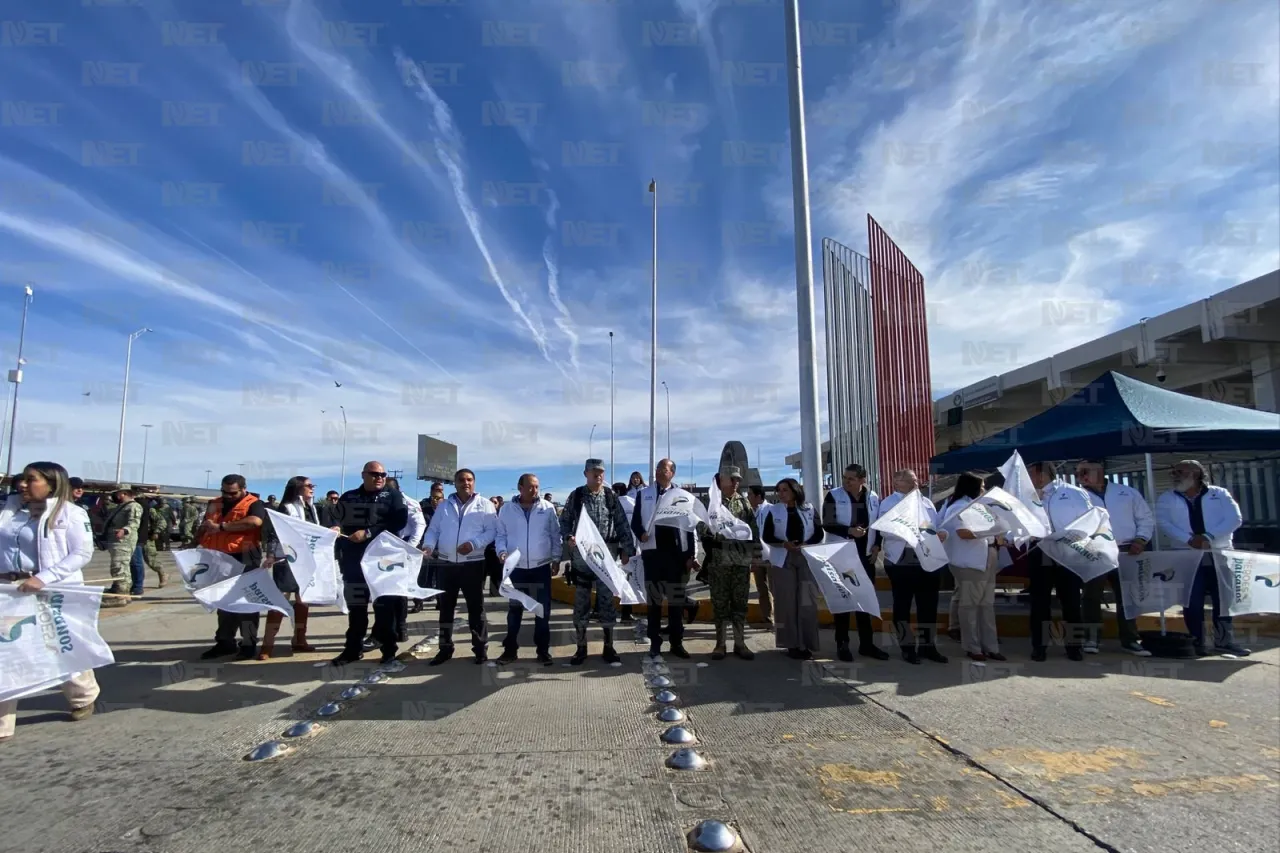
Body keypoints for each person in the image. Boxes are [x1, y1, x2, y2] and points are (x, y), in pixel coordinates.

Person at [0, 462, 99, 741]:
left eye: (31, 479)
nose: (22, 484)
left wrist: (44, 578)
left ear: (52, 484)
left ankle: (83, 695)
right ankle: (3, 723)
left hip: (49, 590)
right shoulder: (9, 511)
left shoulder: (71, 513)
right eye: (22, 479)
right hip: (9, 590)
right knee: (7, 651)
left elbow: (81, 553)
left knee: (57, 646)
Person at [1156, 459, 1249, 657]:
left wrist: (1208, 537)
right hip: (1187, 555)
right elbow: (1164, 523)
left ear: (1196, 474)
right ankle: (1197, 642)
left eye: (1180, 472)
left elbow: (1234, 519)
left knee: (1223, 600)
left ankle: (1224, 642)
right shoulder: (1167, 497)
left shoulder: (1219, 493)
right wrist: (1189, 539)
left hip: (1219, 553)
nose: (1174, 476)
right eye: (1174, 472)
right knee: (1192, 601)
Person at [328, 462, 409, 666]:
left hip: (383, 561)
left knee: (385, 608)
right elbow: (336, 517)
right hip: (354, 561)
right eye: (374, 474)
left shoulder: (393, 496)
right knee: (356, 608)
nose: (379, 477)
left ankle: (389, 651)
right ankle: (352, 650)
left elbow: (399, 522)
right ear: (363, 475)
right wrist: (335, 527)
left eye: (382, 474)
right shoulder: (349, 497)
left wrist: (368, 532)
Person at [1075, 460, 1153, 656]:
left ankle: (1130, 639)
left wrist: (1141, 539)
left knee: (1127, 596)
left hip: (1127, 550)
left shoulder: (1127, 492)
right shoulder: (1076, 496)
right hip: (1095, 551)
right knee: (1091, 596)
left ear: (1099, 471)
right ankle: (1091, 638)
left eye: (1084, 472)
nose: (1080, 476)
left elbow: (1145, 518)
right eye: (1077, 473)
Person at [563, 459, 635, 664]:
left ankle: (609, 647)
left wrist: (627, 550)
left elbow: (622, 524)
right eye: (594, 472)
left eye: (601, 472)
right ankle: (581, 648)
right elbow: (565, 521)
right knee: (581, 604)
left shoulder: (611, 496)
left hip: (606, 558)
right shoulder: (576, 496)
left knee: (607, 604)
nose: (598, 475)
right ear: (585, 473)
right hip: (582, 559)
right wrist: (568, 537)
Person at [422, 468, 496, 665]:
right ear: (455, 483)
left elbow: (491, 532)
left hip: (473, 563)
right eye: (462, 480)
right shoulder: (444, 506)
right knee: (445, 609)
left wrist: (473, 544)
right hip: (446, 563)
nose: (466, 483)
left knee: (476, 609)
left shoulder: (485, 505)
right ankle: (445, 649)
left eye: (469, 479)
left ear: (474, 482)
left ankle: (480, 649)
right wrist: (428, 546)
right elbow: (433, 530)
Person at [875, 468, 948, 664]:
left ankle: (928, 647)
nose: (915, 484)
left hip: (928, 557)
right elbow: (884, 531)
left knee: (928, 605)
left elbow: (936, 525)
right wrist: (910, 532)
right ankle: (907, 648)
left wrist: (942, 533)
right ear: (896, 483)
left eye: (915, 480)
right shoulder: (889, 503)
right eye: (909, 480)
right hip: (902, 559)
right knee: (902, 605)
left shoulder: (926, 502)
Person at [821, 463, 890, 662]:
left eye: (851, 478)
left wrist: (877, 545)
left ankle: (866, 644)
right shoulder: (834, 495)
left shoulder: (873, 497)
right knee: (843, 601)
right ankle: (842, 644)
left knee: (864, 601)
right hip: (842, 555)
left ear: (862, 480)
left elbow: (878, 524)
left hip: (866, 556)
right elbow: (827, 523)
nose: (846, 481)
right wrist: (848, 530)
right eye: (845, 477)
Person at [197, 474, 269, 659]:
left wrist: (222, 527)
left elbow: (255, 522)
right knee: (224, 601)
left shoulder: (255, 504)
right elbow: (205, 525)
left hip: (245, 556)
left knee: (247, 603)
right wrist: (194, 543)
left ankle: (248, 644)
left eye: (233, 493)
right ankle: (225, 642)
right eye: (224, 492)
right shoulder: (214, 503)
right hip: (219, 557)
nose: (228, 496)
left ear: (243, 489)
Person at [631, 459, 696, 660]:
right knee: (654, 602)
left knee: (676, 602)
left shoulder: (682, 496)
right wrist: (641, 533)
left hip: (676, 556)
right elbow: (635, 522)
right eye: (658, 468)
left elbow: (690, 527)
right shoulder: (644, 494)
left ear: (672, 473)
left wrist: (691, 555)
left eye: (664, 469)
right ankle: (655, 643)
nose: (659, 472)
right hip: (653, 555)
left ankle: (677, 642)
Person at [258, 475, 326, 660]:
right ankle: (267, 645)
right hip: (287, 559)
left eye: (313, 485)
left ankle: (299, 639)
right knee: (280, 600)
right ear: (297, 488)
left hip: (307, 560)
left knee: (303, 601)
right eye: (309, 485)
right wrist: (271, 555)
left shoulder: (312, 508)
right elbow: (274, 532)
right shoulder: (286, 508)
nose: (312, 488)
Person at [495, 473, 560, 665]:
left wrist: (556, 558)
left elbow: (555, 535)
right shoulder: (507, 509)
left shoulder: (547, 508)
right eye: (530, 486)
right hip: (516, 569)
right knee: (515, 611)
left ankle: (543, 651)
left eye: (537, 486)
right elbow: (500, 535)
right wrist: (501, 552)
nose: (534, 490)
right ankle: (510, 650)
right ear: (520, 487)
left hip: (541, 567)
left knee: (542, 611)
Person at [939, 472, 1004, 663]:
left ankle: (990, 646)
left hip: (988, 556)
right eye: (981, 487)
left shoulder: (979, 506)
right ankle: (972, 646)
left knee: (987, 604)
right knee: (970, 605)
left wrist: (998, 535)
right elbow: (963, 533)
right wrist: (990, 531)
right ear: (972, 487)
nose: (984, 490)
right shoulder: (958, 507)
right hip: (969, 562)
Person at [1026, 461, 1086, 662]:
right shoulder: (1028, 497)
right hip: (1040, 551)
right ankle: (1039, 646)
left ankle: (1074, 647)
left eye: (1031, 475)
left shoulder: (1073, 493)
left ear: (1041, 475)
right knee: (1039, 602)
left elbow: (1087, 521)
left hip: (1067, 551)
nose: (1028, 479)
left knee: (1071, 601)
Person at [761, 477, 825, 659]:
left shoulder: (809, 509)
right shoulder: (773, 510)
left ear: (795, 490)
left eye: (785, 490)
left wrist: (806, 544)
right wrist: (783, 544)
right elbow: (767, 535)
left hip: (805, 557)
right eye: (779, 490)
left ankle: (807, 643)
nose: (781, 494)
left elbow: (819, 533)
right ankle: (791, 644)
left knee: (807, 601)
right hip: (783, 559)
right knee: (786, 603)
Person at [702, 467, 757, 660]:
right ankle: (720, 643)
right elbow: (702, 528)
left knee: (740, 602)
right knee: (720, 602)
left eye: (737, 480)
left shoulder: (744, 503)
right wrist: (715, 536)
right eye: (732, 479)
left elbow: (753, 530)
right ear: (722, 481)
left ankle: (740, 643)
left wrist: (755, 555)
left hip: (740, 561)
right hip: (719, 560)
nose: (735, 483)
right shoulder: (712, 503)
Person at [382, 476, 426, 645]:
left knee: (400, 589)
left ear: (398, 489)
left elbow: (419, 525)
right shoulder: (379, 501)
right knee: (386, 589)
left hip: (403, 546)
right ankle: (387, 627)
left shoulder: (410, 503)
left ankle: (401, 627)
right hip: (385, 548)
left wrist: (409, 546)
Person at [99, 485, 142, 608]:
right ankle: (124, 594)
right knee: (121, 567)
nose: (116, 496)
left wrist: (125, 530)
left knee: (119, 567)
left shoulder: (134, 506)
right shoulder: (122, 506)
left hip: (123, 541)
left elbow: (134, 522)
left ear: (123, 493)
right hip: (116, 541)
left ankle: (121, 596)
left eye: (118, 493)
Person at [746, 484, 774, 628]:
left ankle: (780, 618)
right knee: (762, 589)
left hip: (772, 556)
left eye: (750, 494)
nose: (748, 497)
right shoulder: (749, 512)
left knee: (775, 588)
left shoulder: (771, 510)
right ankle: (767, 618)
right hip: (757, 556)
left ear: (758, 496)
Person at [613, 481, 639, 623]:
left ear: (617, 491)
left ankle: (625, 613)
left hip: (620, 547)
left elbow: (628, 527)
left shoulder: (624, 504)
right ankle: (625, 613)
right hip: (622, 547)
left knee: (623, 580)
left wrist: (625, 549)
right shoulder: (631, 503)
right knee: (625, 580)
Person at [142, 498, 169, 588]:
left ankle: (162, 574)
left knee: (151, 559)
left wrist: (156, 531)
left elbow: (162, 522)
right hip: (132, 538)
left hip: (147, 537)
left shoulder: (149, 510)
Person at [484, 495, 505, 596]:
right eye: (491, 502)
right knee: (482, 572)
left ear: (498, 504)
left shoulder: (502, 516)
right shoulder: (483, 516)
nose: (493, 504)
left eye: (495, 502)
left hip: (496, 548)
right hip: (484, 548)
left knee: (497, 571)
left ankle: (495, 591)